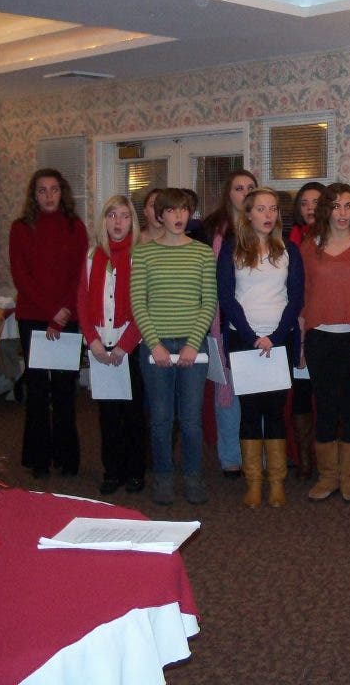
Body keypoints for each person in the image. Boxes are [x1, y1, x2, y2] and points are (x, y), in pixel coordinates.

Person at [218, 188, 303, 508]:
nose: (268, 215)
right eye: (260, 209)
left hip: (279, 340)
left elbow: (296, 298)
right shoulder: (232, 250)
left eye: (273, 209)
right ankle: (253, 483)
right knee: (251, 413)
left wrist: (277, 335)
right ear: (248, 214)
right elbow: (226, 297)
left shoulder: (289, 251)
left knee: (276, 412)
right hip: (244, 340)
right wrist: (253, 335)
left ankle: (276, 482)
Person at [131, 187, 217, 505]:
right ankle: (164, 479)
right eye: (171, 210)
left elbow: (208, 303)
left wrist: (194, 344)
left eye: (184, 210)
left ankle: (193, 478)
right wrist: (154, 345)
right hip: (156, 347)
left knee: (192, 419)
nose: (179, 216)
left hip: (194, 345)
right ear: (160, 215)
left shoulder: (202, 253)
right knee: (161, 418)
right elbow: (139, 303)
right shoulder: (143, 253)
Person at [299, 182, 350, 503]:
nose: (343, 213)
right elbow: (303, 299)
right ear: (326, 210)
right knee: (325, 408)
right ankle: (327, 477)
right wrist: (303, 345)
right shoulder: (309, 247)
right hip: (319, 339)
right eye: (336, 206)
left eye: (348, 206)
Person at [9, 169, 89, 479]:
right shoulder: (20, 228)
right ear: (34, 195)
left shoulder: (75, 227)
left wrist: (64, 311)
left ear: (62, 193)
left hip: (67, 319)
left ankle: (67, 458)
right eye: (42, 190)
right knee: (39, 389)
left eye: (54, 189)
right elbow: (21, 276)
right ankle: (38, 458)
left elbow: (79, 274)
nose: (48, 196)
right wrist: (50, 313)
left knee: (65, 390)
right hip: (33, 318)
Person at [77, 194, 147, 495]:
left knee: (132, 413)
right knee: (107, 414)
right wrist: (92, 340)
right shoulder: (93, 256)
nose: (118, 222)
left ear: (133, 221)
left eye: (124, 216)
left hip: (128, 345)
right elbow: (82, 300)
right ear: (103, 220)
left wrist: (125, 345)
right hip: (99, 345)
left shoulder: (139, 255)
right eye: (112, 215)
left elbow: (145, 304)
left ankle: (134, 470)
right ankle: (112, 470)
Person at [198, 170, 258, 478]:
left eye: (251, 188)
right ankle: (231, 456)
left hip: (258, 322)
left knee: (255, 392)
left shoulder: (264, 228)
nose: (245, 193)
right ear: (228, 194)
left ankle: (256, 456)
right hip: (220, 321)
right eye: (239, 188)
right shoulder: (212, 230)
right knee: (228, 392)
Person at [287, 182, 326, 478]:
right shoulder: (290, 241)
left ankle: (327, 462)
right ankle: (304, 458)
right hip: (297, 324)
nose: (310, 208)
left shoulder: (336, 238)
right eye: (304, 203)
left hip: (329, 325)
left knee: (326, 395)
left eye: (316, 202)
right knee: (301, 394)